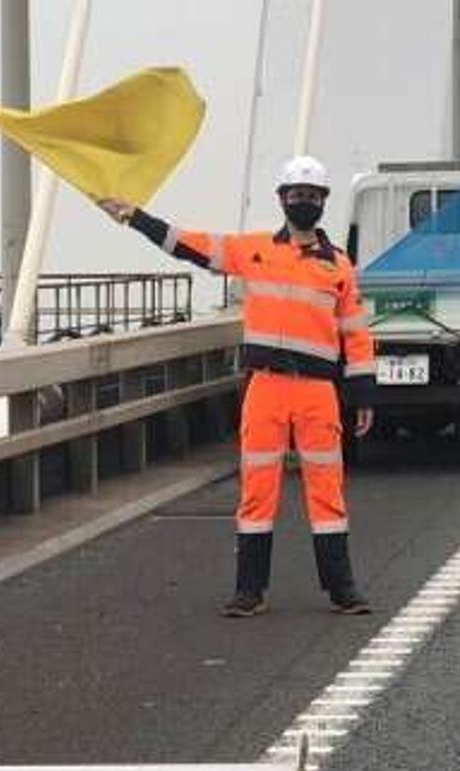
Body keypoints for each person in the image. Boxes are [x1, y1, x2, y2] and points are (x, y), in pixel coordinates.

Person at [99, 155, 376, 617]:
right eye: (296, 195)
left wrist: (363, 392)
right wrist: (137, 217)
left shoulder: (340, 268)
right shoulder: (254, 250)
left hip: (317, 392)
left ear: (323, 202)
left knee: (327, 490)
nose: (303, 202)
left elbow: (357, 333)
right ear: (282, 199)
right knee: (257, 487)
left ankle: (342, 588)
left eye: (311, 196)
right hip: (266, 387)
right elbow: (192, 245)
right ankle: (250, 591)